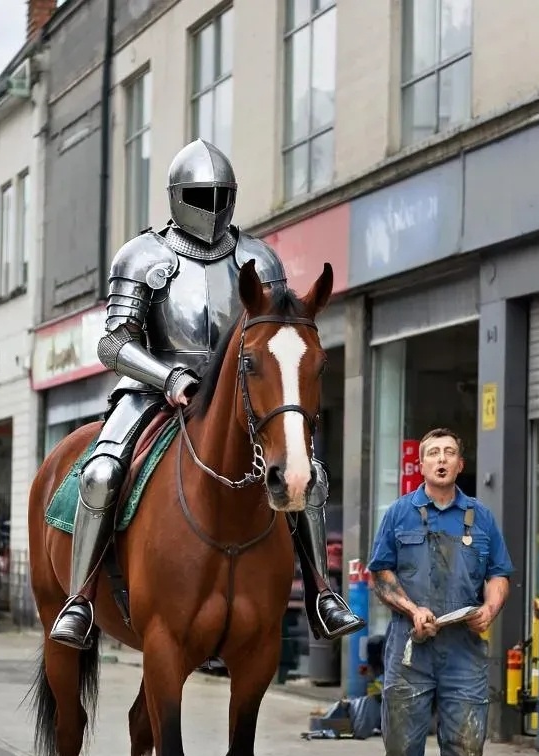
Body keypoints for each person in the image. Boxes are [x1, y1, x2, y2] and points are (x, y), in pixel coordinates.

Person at [49, 138, 364, 649]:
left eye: (221, 195)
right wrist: (168, 377)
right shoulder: (142, 254)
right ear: (177, 196)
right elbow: (113, 342)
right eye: (200, 195)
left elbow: (277, 328)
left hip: (239, 391)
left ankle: (321, 595)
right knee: (103, 471)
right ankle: (80, 599)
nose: (212, 207)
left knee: (309, 475)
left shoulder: (258, 255)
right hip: (154, 390)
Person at [367, 428, 513, 756]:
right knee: (403, 749)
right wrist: (412, 609)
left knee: (466, 749)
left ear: (460, 464)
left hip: (465, 651)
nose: (442, 460)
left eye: (450, 452)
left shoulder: (481, 518)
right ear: (423, 465)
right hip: (411, 649)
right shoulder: (399, 514)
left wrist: (491, 607)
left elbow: (499, 573)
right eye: (434, 453)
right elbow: (380, 574)